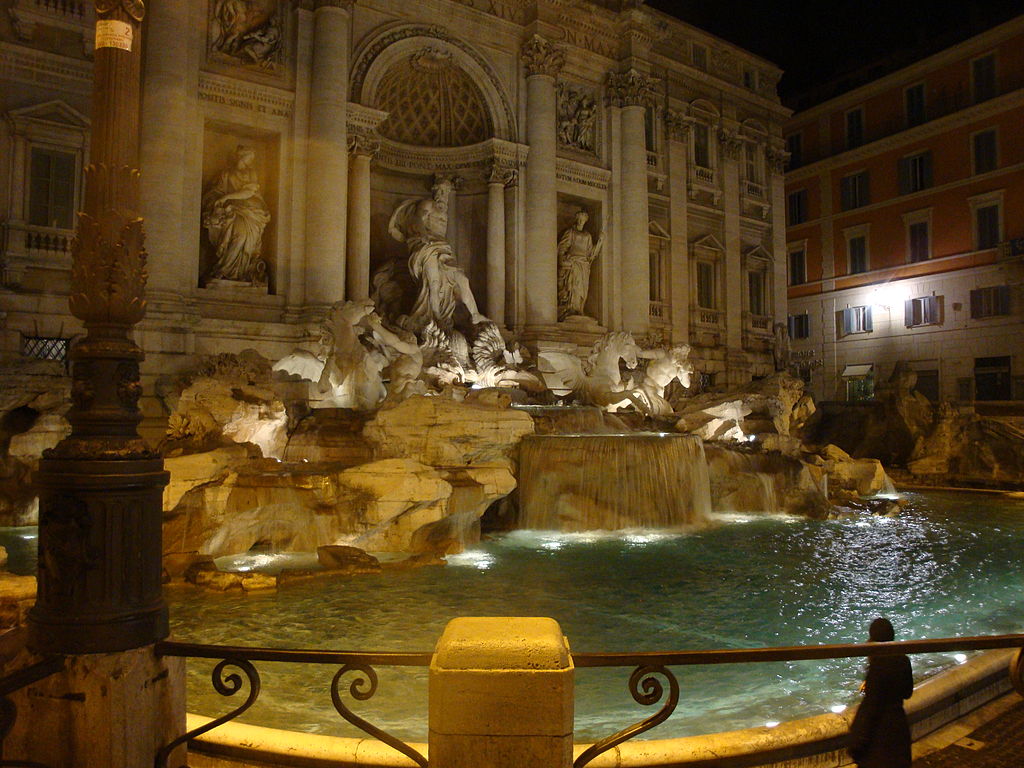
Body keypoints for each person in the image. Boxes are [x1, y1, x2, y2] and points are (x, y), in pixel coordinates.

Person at [388, 177, 485, 334]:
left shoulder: (444, 211)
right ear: (434, 192)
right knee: (432, 283)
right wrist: (423, 234)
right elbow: (418, 218)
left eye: (445, 192)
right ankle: (435, 317)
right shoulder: (428, 205)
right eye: (440, 191)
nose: (442, 195)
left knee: (462, 280)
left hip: (443, 249)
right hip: (427, 246)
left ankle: (475, 314)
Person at [848, 617, 914, 768]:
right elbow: (907, 693)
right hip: (899, 728)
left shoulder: (877, 666)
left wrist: (857, 743)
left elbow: (872, 707)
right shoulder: (903, 660)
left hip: (880, 737)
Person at [202, 144, 271, 284]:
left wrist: (227, 197)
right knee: (238, 237)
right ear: (241, 157)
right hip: (233, 212)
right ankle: (225, 270)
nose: (250, 162)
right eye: (249, 158)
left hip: (251, 212)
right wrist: (218, 201)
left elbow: (250, 192)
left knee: (246, 242)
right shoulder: (226, 174)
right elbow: (216, 191)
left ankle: (241, 272)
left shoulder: (251, 174)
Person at [557, 208, 604, 321]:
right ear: (576, 219)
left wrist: (600, 241)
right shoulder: (570, 232)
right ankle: (571, 308)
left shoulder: (587, 236)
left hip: (584, 265)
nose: (581, 222)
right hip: (573, 263)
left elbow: (591, 253)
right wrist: (563, 260)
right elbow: (562, 248)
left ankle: (579, 309)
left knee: (582, 289)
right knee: (573, 286)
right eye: (579, 219)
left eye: (583, 220)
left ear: (585, 221)